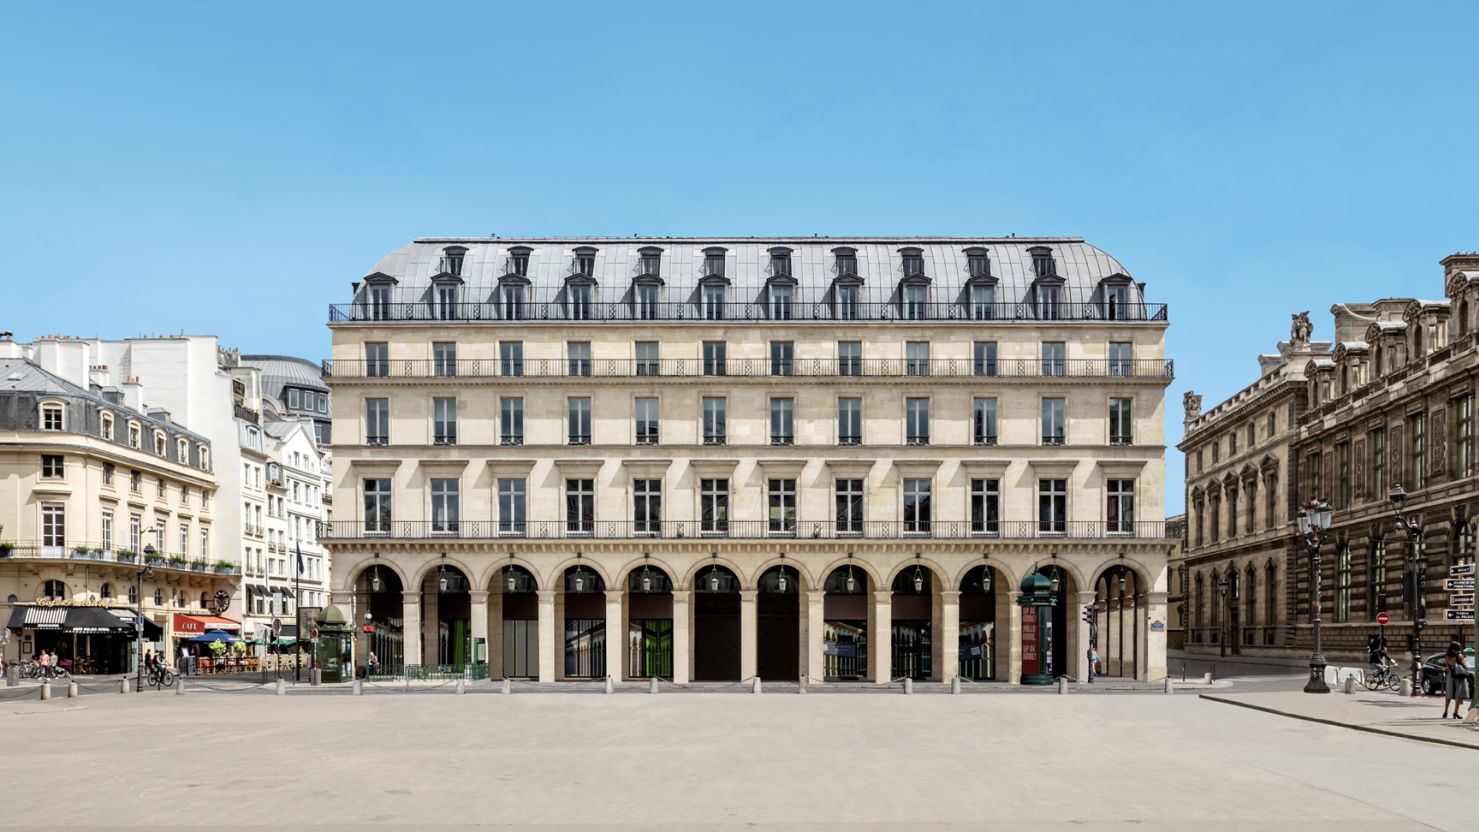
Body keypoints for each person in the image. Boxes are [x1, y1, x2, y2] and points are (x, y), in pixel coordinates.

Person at [1442, 643, 1471, 720]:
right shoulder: (1459, 656)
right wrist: (1464, 660)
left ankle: (1445, 711)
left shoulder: (1447, 656)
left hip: (1451, 676)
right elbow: (1465, 666)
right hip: (1459, 677)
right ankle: (1456, 712)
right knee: (1459, 694)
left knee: (1449, 693)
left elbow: (1448, 666)